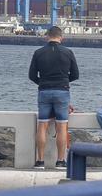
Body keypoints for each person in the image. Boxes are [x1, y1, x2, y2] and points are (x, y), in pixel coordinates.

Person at [28, 25, 79, 169]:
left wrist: (43, 82)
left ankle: (40, 161)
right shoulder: (68, 52)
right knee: (62, 126)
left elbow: (32, 76)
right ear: (61, 37)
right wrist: (62, 82)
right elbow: (75, 75)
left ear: (47, 36)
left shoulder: (38, 52)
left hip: (44, 91)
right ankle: (61, 161)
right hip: (62, 92)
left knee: (42, 125)